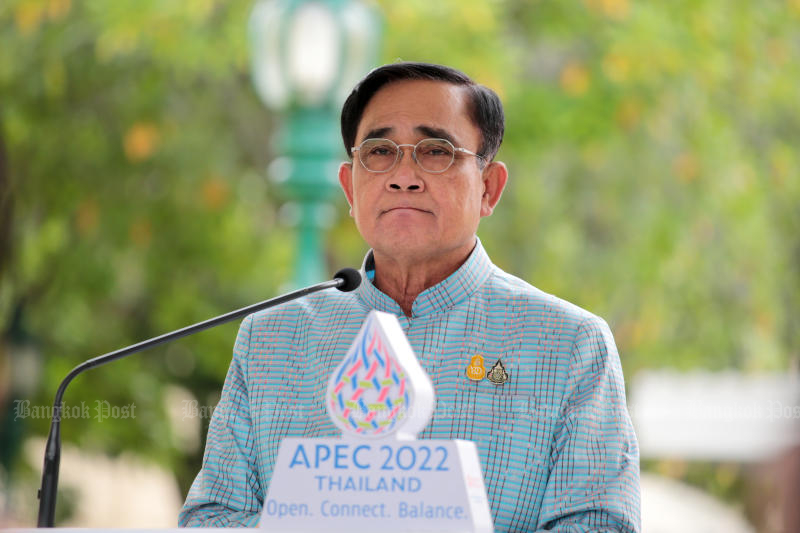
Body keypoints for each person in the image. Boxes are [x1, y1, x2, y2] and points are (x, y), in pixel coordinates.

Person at [180, 62, 640, 531]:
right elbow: (212, 517)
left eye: (436, 151)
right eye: (379, 151)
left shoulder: (567, 344)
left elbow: (599, 525)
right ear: (349, 187)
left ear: (489, 187)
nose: (403, 176)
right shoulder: (272, 338)